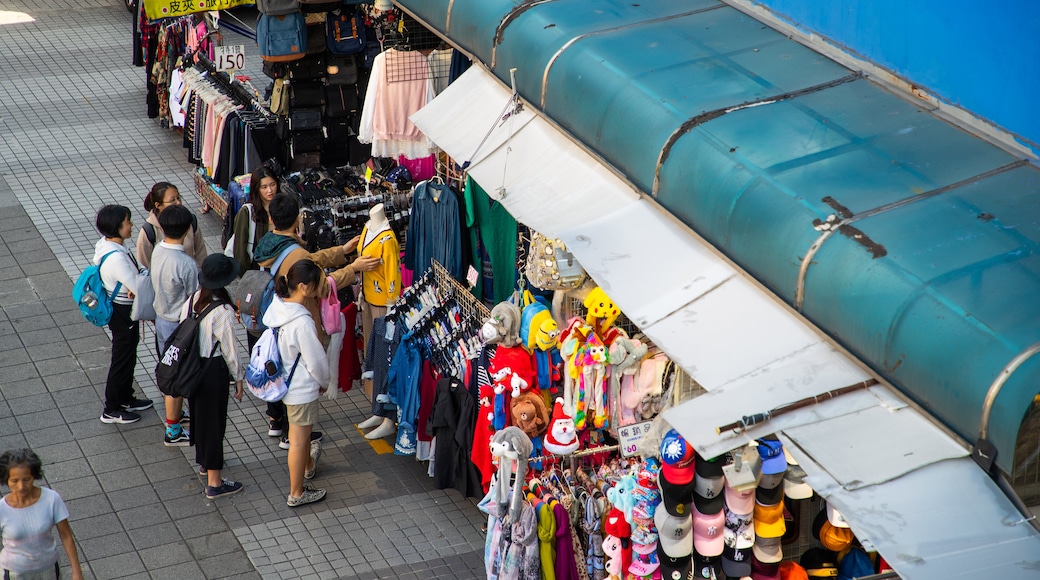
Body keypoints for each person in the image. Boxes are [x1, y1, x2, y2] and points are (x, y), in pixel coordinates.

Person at [253, 194, 380, 446]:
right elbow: (321, 285)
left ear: (271, 218)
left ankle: (284, 428)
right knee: (297, 378)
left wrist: (341, 252)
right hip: (298, 318)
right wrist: (353, 268)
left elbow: (309, 260)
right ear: (299, 218)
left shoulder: (271, 242)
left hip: (276, 316)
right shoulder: (296, 254)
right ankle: (296, 440)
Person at [262, 260, 330, 507]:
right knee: (299, 442)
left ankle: (309, 466)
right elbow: (316, 360)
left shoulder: (277, 308)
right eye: (315, 284)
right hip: (300, 388)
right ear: (303, 286)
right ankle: (297, 493)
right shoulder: (301, 321)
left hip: (284, 382)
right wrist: (324, 381)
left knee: (299, 434)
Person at [179, 255, 247, 499]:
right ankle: (215, 483)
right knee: (214, 424)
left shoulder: (193, 300)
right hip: (212, 371)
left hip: (191, 369)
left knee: (200, 418)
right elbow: (230, 350)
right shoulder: (223, 311)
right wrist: (238, 379)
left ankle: (204, 463)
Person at [94, 205, 153, 424]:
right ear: (116, 227)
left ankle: (126, 397)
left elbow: (135, 280)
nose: (132, 225)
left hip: (122, 310)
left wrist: (138, 279)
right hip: (122, 313)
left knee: (128, 355)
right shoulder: (117, 259)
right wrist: (141, 279)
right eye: (128, 222)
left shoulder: (108, 245)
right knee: (122, 358)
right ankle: (111, 408)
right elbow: (139, 287)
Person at [150, 205, 199, 446]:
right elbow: (194, 297)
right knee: (177, 378)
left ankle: (176, 418)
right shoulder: (186, 264)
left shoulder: (158, 250)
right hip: (179, 327)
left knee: (170, 371)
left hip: (161, 320)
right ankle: (173, 429)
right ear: (188, 228)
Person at [0, 449, 84, 580]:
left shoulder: (51, 499)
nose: (21, 486)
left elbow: (66, 536)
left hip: (49, 569)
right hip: (15, 573)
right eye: (14, 481)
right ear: (7, 480)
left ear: (34, 476)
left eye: (26, 479)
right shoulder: (1, 509)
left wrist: (77, 571)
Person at [136, 182, 207, 269]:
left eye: (178, 198)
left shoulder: (189, 221)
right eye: (172, 200)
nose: (178, 203)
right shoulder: (149, 231)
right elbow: (144, 266)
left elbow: (201, 253)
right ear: (158, 205)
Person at [229, 165, 278, 277]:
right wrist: (247, 276)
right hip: (256, 272)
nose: (270, 190)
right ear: (256, 189)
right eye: (264, 187)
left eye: (272, 185)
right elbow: (240, 248)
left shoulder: (282, 207)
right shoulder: (247, 212)